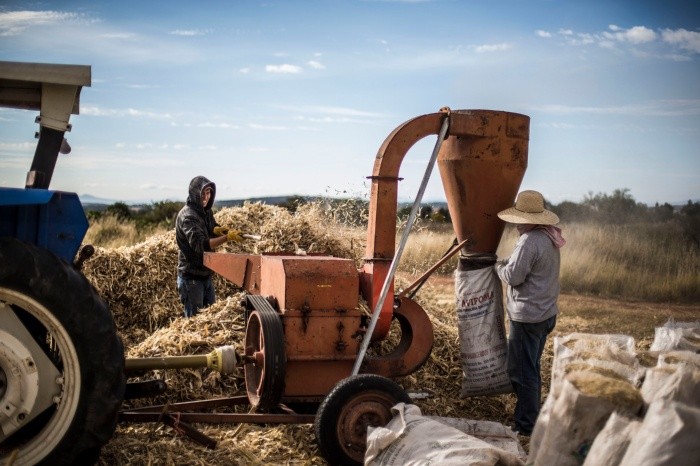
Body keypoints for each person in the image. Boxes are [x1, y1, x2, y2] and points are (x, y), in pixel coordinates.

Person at [494, 190, 566, 436]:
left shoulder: (529, 241)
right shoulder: (548, 237)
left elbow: (514, 276)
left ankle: (526, 426)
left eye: (519, 220)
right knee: (531, 368)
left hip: (528, 316)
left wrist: (497, 266)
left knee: (521, 371)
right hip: (545, 313)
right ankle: (532, 417)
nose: (516, 225)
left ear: (529, 220)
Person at [175, 175, 242, 318]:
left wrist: (218, 230)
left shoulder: (205, 211)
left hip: (205, 274)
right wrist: (227, 238)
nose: (206, 197)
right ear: (195, 194)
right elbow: (201, 244)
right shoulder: (188, 216)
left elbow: (211, 226)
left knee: (210, 318)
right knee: (194, 321)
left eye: (208, 192)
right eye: (203, 193)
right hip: (191, 278)